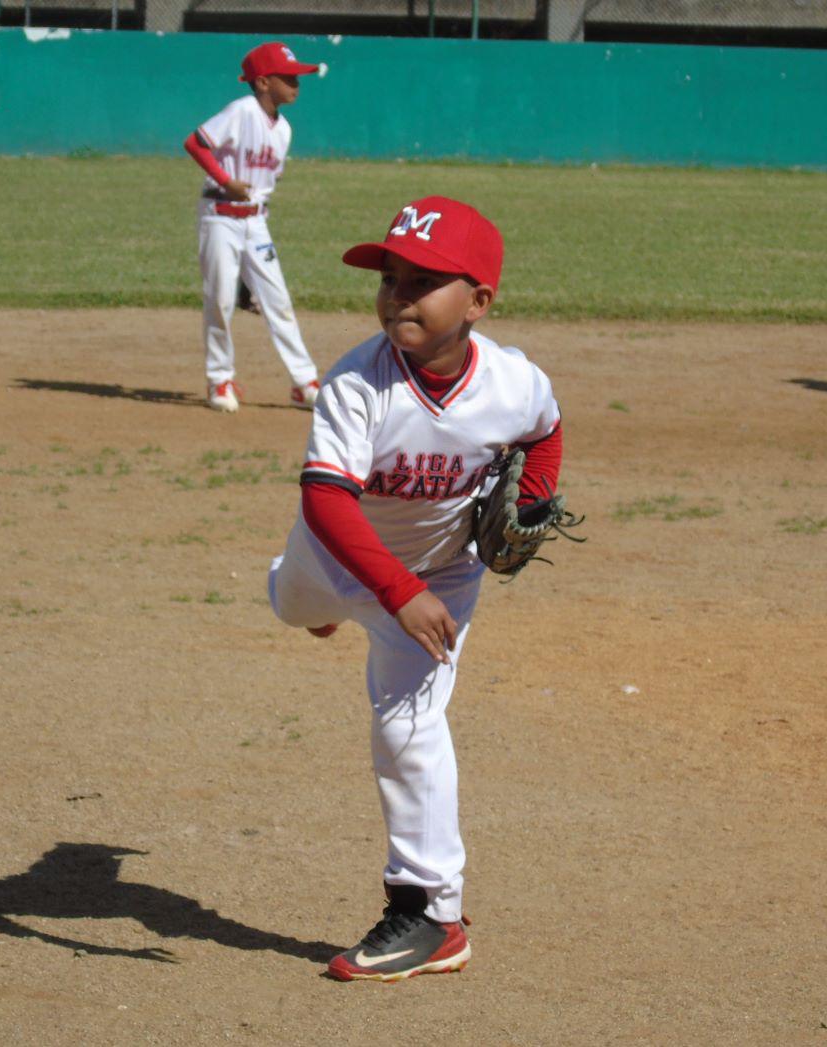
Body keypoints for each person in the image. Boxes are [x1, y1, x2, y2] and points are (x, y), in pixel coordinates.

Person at [267, 196, 565, 982]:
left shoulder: (513, 381)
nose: (399, 292)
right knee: (292, 603)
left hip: (442, 577)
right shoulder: (357, 383)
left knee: (407, 725)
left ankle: (431, 912)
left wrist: (532, 500)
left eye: (424, 280)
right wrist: (392, 590)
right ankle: (326, 615)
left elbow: (545, 427)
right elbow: (327, 499)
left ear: (479, 301)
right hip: (338, 558)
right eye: (391, 276)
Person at [183, 41, 322, 413]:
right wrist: (225, 179)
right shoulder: (241, 111)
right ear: (262, 82)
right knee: (220, 300)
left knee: (278, 300)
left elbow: (264, 187)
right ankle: (219, 380)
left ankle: (303, 382)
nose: (297, 83)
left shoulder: (284, 130)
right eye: (289, 77)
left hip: (256, 222)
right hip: (220, 216)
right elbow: (196, 144)